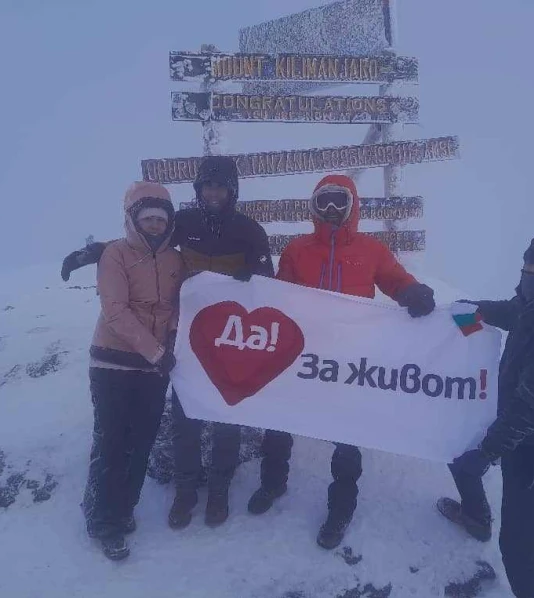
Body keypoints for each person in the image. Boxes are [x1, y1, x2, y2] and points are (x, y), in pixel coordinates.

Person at [63, 156, 274, 530]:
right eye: (207, 185)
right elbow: (144, 241)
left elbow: (267, 283)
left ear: (232, 191)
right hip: (187, 340)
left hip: (232, 340)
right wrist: (97, 251)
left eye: (220, 186)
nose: (213, 192)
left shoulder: (250, 231)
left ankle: (220, 491)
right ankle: (185, 492)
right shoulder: (186, 224)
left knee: (227, 416)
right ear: (197, 190)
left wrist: (252, 275)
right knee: (185, 418)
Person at [246, 173, 436, 549]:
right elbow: (282, 293)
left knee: (348, 432)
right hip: (302, 353)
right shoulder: (298, 250)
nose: (331, 210)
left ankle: (341, 507)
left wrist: (412, 291)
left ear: (352, 205)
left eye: (339, 201)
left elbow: (395, 280)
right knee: (277, 417)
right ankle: (273, 482)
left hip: (349, 357)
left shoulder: (371, 249)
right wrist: (254, 285)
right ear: (314, 207)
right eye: (324, 202)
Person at [438, 230, 534, 598]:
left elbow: (530, 410)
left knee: (518, 549)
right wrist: (466, 313)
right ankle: (476, 519)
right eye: (525, 265)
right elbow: (508, 313)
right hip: (514, 428)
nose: (527, 274)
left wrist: (488, 452)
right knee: (457, 455)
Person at [81, 182, 184, 561]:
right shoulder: (115, 255)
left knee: (141, 441)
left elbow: (176, 305)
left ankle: (123, 509)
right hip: (113, 360)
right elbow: (115, 311)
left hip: (153, 367)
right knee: (111, 441)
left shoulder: (176, 259)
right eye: (148, 218)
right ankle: (102, 518)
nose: (155, 224)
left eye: (161, 218)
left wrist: (171, 339)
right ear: (133, 220)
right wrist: (156, 352)